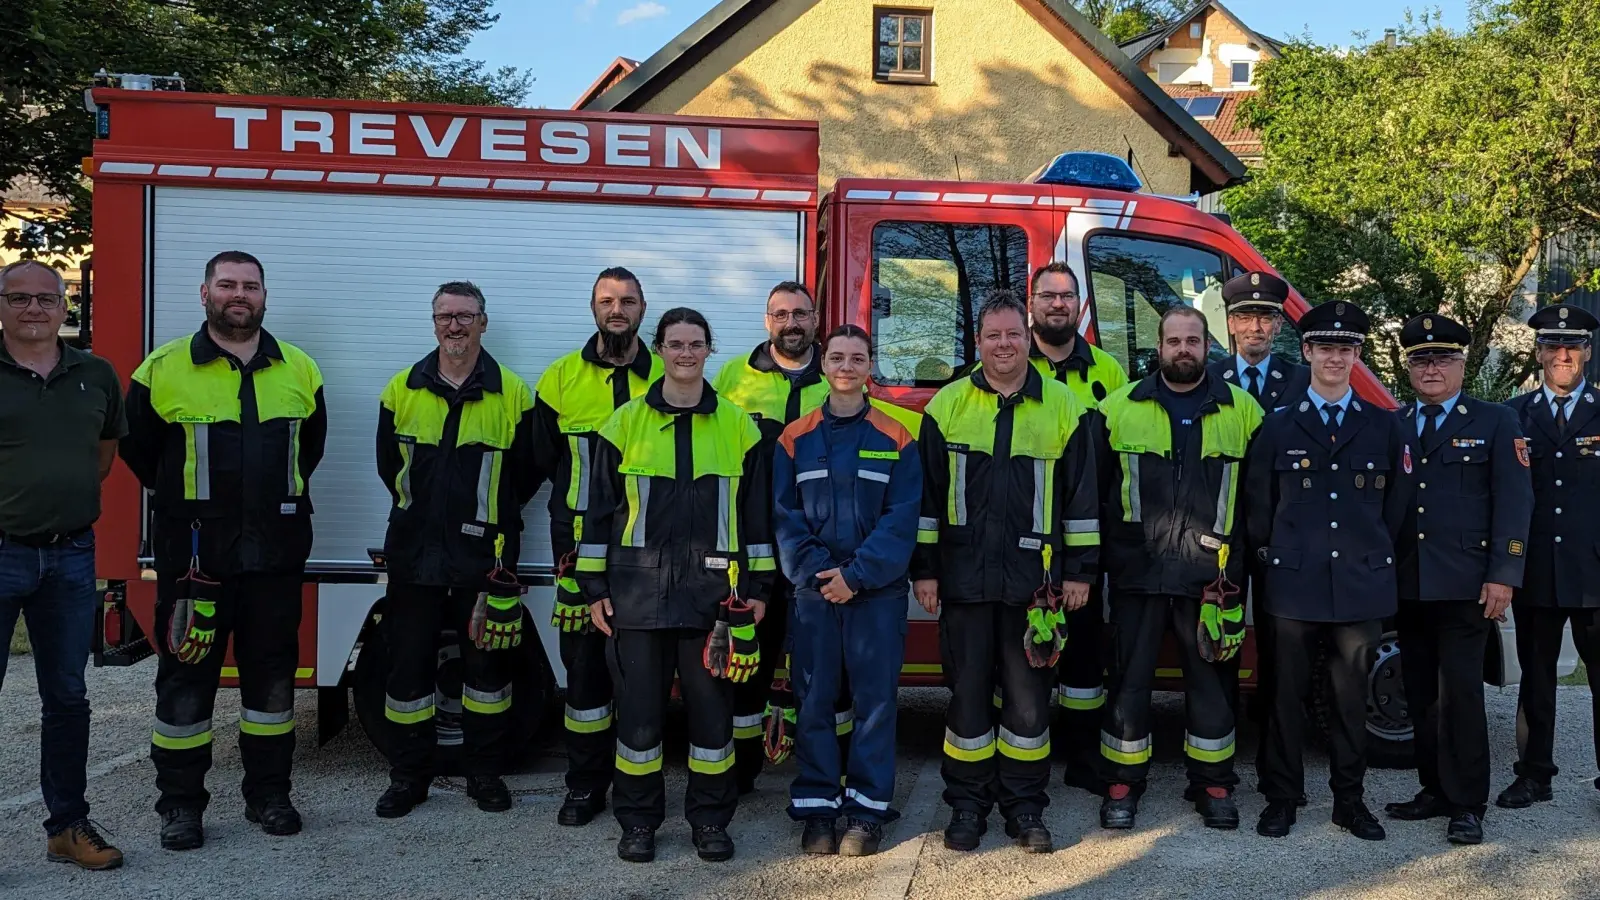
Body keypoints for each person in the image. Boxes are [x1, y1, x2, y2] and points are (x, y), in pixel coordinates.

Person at [121, 251, 327, 851]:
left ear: (265, 296)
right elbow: (143, 456)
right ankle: (181, 807)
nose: (240, 295)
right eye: (228, 285)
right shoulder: (161, 370)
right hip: (195, 564)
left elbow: (306, 452)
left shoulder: (300, 369)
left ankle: (269, 796)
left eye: (251, 286)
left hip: (275, 559)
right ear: (205, 291)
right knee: (185, 681)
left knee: (272, 684)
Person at [580, 307, 776, 864]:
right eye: (675, 344)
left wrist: (759, 588)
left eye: (695, 344)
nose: (685, 354)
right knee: (639, 721)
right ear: (659, 349)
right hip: (636, 599)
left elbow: (756, 518)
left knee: (712, 720)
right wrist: (594, 588)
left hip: (714, 599)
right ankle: (638, 824)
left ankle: (710, 821)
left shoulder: (740, 427)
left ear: (709, 350)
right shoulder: (623, 423)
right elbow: (598, 515)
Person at [913, 290, 1098, 854]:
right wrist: (926, 571)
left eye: (1012, 335)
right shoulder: (946, 406)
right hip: (965, 581)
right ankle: (966, 807)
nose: (1003, 345)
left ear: (1028, 338)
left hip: (1035, 586)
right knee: (967, 698)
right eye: (992, 336)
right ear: (978, 342)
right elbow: (927, 499)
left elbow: (1082, 499)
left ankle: (1024, 809)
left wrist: (1080, 572)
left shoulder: (1066, 407)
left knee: (1027, 705)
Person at [371, 281, 538, 819]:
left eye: (466, 316)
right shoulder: (402, 388)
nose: (455, 325)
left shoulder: (513, 393)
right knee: (407, 673)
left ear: (483, 324)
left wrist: (486, 522)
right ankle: (408, 777)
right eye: (446, 316)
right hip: (414, 556)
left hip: (486, 562)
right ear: (434, 322)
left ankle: (484, 774)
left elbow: (529, 473)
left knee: (488, 672)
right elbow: (387, 467)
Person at [1244, 300, 1409, 841]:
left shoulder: (1384, 428)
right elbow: (1258, 507)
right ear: (1307, 351)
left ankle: (1349, 800)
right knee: (1284, 698)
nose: (1336, 357)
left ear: (1357, 355)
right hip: (1293, 585)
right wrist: (1276, 558)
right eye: (1326, 348)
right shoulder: (1277, 426)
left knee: (1347, 700)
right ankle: (1282, 797)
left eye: (1346, 349)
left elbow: (1397, 509)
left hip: (1360, 584)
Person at [1095, 306, 1262, 832]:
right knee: (1128, 682)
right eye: (1174, 341)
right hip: (1136, 572)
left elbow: (1259, 501)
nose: (1183, 349)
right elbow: (1094, 495)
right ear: (1159, 347)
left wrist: (1242, 566)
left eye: (1193, 340)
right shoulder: (1117, 409)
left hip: (1211, 579)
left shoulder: (1244, 411)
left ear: (1207, 346)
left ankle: (1213, 784)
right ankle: (1122, 784)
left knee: (1212, 682)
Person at [774, 324, 921, 858]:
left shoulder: (897, 436)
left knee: (875, 705)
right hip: (815, 594)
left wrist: (855, 576)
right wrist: (821, 575)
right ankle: (816, 810)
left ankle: (864, 812)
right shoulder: (795, 437)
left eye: (857, 358)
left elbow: (902, 519)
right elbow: (785, 518)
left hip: (874, 594)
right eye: (836, 357)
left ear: (869, 366)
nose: (846, 366)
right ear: (823, 362)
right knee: (813, 702)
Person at [1387, 313, 1532, 846]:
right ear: (1408, 367)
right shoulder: (1394, 423)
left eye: (1442, 358)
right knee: (1420, 692)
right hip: (1408, 584)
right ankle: (1434, 789)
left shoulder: (1494, 422)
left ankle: (1468, 802)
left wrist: (1504, 574)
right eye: (1420, 358)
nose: (1431, 368)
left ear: (1461, 363)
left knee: (1463, 696)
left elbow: (1516, 504)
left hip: (1470, 585)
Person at [0, 260, 127, 870]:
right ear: (1, 305)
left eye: (46, 299)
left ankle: (67, 826)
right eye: (19, 298)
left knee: (68, 697)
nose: (33, 310)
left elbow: (102, 457)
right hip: (1, 552)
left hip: (72, 553)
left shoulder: (95, 374)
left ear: (64, 307)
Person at [531, 267, 663, 827]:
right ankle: (584, 787)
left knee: (641, 674)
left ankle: (640, 793)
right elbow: (539, 463)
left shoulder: (668, 374)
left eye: (628, 301)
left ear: (643, 309)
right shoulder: (559, 378)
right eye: (607, 301)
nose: (617, 310)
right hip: (577, 552)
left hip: (646, 553)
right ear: (592, 308)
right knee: (583, 674)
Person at [711, 282, 845, 792]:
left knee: (822, 670)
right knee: (749, 664)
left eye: (801, 314)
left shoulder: (836, 378)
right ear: (767, 321)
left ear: (816, 320)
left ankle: (822, 773)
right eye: (781, 314)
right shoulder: (731, 378)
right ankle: (740, 774)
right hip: (751, 552)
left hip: (817, 552)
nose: (791, 323)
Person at [1021, 262, 1127, 795]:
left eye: (1067, 297)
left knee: (1085, 649)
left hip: (1088, 533)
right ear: (1031, 304)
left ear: (1081, 306)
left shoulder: (1107, 371)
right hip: (1026, 534)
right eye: (1048, 296)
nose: (1057, 305)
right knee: (1023, 650)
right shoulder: (1012, 363)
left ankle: (1083, 756)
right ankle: (1023, 751)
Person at [1499, 304, 1600, 810]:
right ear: (1538, 353)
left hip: (1594, 570)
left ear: (1586, 352)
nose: (1563, 355)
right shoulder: (1514, 415)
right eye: (1553, 346)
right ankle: (1534, 774)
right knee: (1536, 679)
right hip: (1536, 568)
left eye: (1573, 346)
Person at [1207, 271, 1311, 414]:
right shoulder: (1209, 378)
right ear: (1231, 324)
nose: (1255, 327)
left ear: (1278, 324)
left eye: (1265, 319)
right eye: (1245, 318)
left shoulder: (1303, 380)